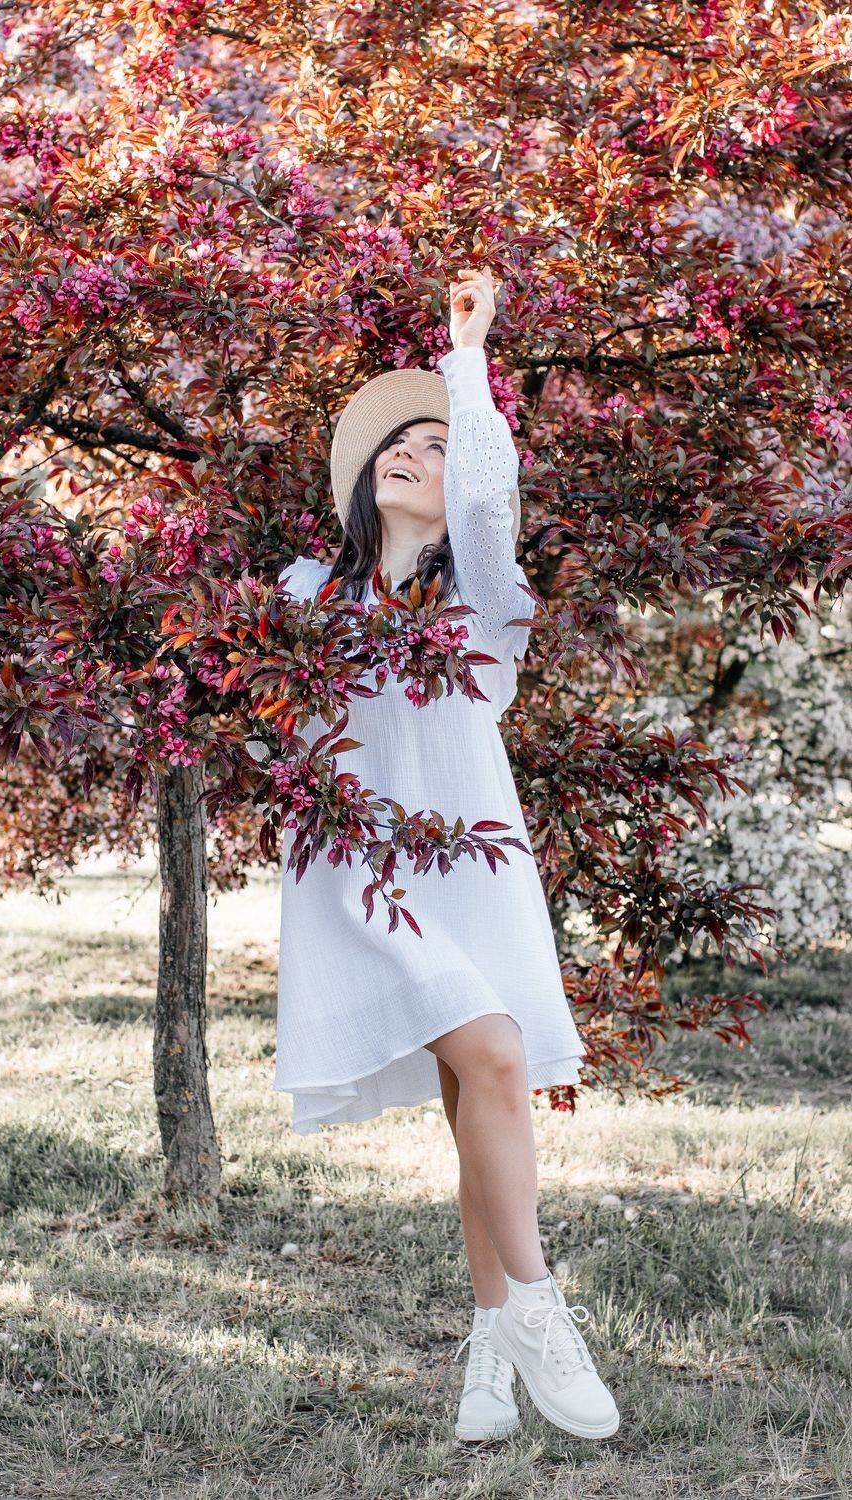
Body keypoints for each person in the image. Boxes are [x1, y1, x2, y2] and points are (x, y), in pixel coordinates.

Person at [266, 266, 619, 1443]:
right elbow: (273, 735)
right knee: (496, 1055)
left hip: (475, 870)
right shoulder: (307, 596)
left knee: (481, 1094)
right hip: (364, 883)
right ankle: (539, 1312)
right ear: (363, 481)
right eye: (395, 445)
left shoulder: (485, 605)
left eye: (434, 444)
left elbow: (485, 494)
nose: (413, 455)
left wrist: (466, 359)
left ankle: (487, 1360)